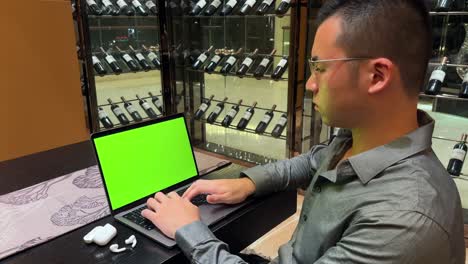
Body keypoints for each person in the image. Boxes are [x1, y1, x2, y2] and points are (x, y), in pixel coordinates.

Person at [141, 0, 466, 263]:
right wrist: (247, 183)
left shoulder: (403, 222)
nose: (310, 84)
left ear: (377, 76)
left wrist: (189, 230)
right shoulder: (358, 139)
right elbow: (311, 162)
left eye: (320, 68)